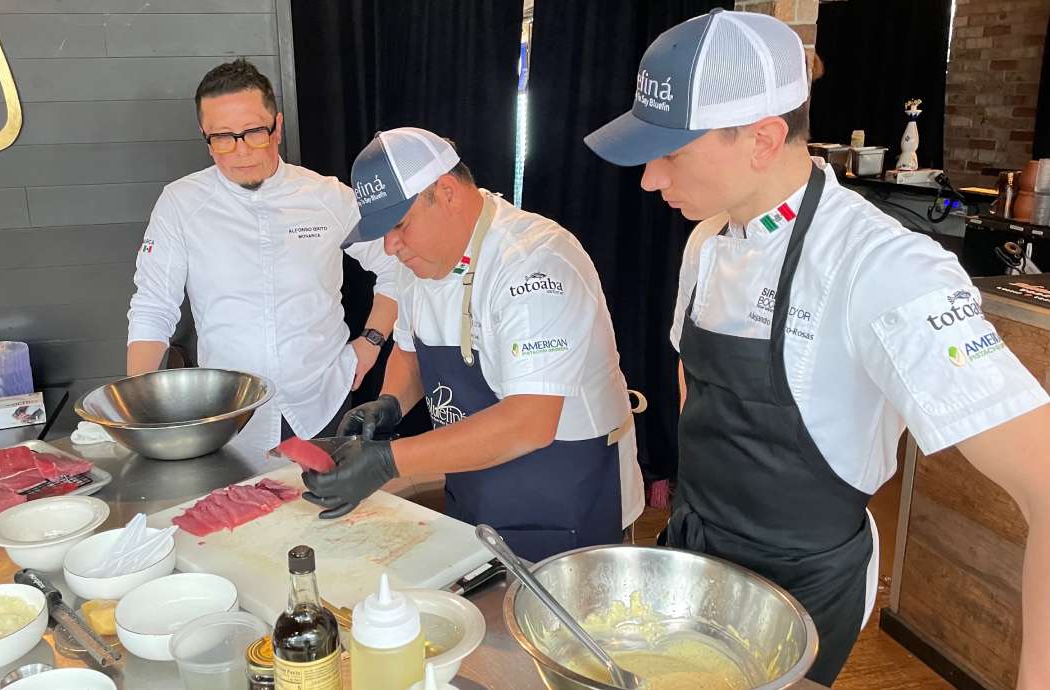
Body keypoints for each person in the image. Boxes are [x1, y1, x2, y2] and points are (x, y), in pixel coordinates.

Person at [586, 9, 1050, 687]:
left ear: (763, 139)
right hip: (697, 561)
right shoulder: (706, 241)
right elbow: (698, 388)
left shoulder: (885, 271)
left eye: (672, 154)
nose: (650, 180)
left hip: (803, 591)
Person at [301, 127, 644, 562]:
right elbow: (411, 351)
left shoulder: (534, 263)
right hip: (476, 483)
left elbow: (529, 422)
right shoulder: (415, 264)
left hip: (564, 493)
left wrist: (389, 460)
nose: (391, 246)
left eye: (400, 225)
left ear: (446, 192)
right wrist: (389, 404)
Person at [127, 59, 399, 461]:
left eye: (254, 132)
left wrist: (372, 340)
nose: (241, 152)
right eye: (222, 137)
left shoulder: (327, 196)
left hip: (322, 399)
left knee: (330, 518)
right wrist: (139, 407)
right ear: (205, 135)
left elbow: (396, 264)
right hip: (229, 414)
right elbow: (152, 307)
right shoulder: (180, 204)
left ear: (277, 125)